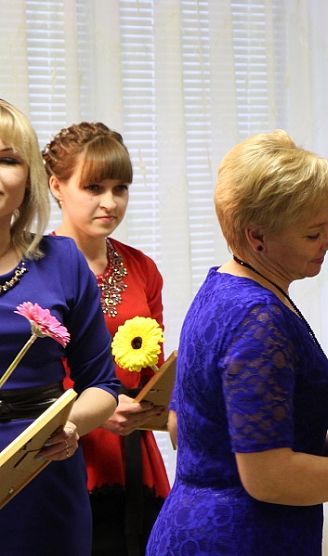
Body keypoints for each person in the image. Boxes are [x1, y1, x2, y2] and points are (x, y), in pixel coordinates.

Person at [146, 129, 328, 555]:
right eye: (313, 234)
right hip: (241, 539)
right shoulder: (258, 316)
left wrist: (311, 441)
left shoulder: (219, 289)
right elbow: (269, 478)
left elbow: (186, 425)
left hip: (193, 526)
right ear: (257, 237)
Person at [42, 121, 171, 555]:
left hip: (134, 452)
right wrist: (96, 410)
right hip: (67, 448)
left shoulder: (142, 268)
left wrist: (156, 403)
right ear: (56, 186)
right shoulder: (35, 268)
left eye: (120, 189)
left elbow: (153, 368)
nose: (110, 202)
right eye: (94, 187)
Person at [0, 100, 119, 554]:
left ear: (29, 176)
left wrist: (69, 425)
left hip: (42, 474)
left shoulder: (64, 260)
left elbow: (102, 387)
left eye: (7, 160)